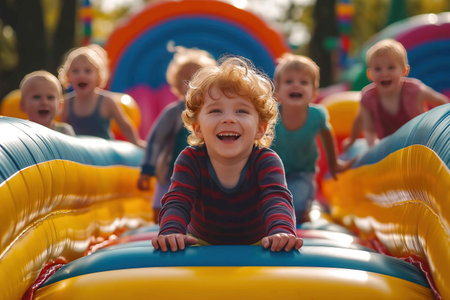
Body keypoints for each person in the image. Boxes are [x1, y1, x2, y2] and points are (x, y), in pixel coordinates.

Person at [152, 56, 302, 253]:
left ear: (260, 128)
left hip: (257, 244)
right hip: (202, 243)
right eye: (215, 111)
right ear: (197, 128)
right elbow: (178, 199)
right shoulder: (191, 160)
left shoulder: (266, 161)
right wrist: (171, 231)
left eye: (241, 111)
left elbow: (276, 198)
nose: (229, 119)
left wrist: (281, 232)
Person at [137, 44, 217, 223]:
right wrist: (147, 168)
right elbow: (156, 139)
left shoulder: (213, 112)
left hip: (203, 173)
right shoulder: (173, 112)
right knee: (163, 201)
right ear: (175, 84)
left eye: (196, 77)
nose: (190, 83)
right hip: (170, 171)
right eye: (184, 78)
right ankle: (161, 222)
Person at [271, 53, 353, 223]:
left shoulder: (316, 115)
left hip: (302, 172)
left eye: (303, 82)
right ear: (277, 90)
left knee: (296, 207)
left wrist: (334, 164)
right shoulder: (271, 114)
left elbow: (327, 137)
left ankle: (304, 206)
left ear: (314, 92)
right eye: (289, 82)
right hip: (271, 171)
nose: (296, 86)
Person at [343, 39, 449, 149]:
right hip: (389, 147)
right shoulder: (369, 97)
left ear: (404, 70)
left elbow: (442, 101)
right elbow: (368, 129)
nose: (384, 73)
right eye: (378, 69)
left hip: (419, 142)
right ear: (370, 74)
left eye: (391, 67)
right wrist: (372, 147)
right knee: (360, 115)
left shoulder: (414, 90)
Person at [57, 46, 145, 148]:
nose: (81, 75)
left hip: (103, 156)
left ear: (98, 76)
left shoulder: (106, 101)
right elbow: (63, 129)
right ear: (68, 76)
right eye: (75, 71)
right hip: (79, 154)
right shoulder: (68, 102)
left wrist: (136, 142)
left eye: (88, 71)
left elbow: (124, 125)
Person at [19, 70, 75, 136]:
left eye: (50, 97)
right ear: (23, 105)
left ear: (60, 106)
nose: (44, 102)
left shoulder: (64, 131)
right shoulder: (21, 130)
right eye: (37, 97)